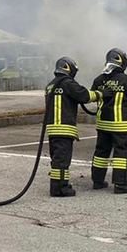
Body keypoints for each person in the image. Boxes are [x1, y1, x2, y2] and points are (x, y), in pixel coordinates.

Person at [43, 56, 101, 197]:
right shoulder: (68, 83)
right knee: (62, 160)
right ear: (68, 68)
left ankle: (59, 184)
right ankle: (60, 188)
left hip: (52, 128)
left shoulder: (50, 85)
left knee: (56, 159)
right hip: (64, 128)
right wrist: (101, 94)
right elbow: (85, 96)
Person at [91, 48, 127, 194]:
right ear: (122, 62)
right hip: (120, 125)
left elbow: (95, 95)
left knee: (101, 152)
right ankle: (120, 184)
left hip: (103, 124)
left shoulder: (99, 80)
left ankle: (97, 181)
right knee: (121, 154)